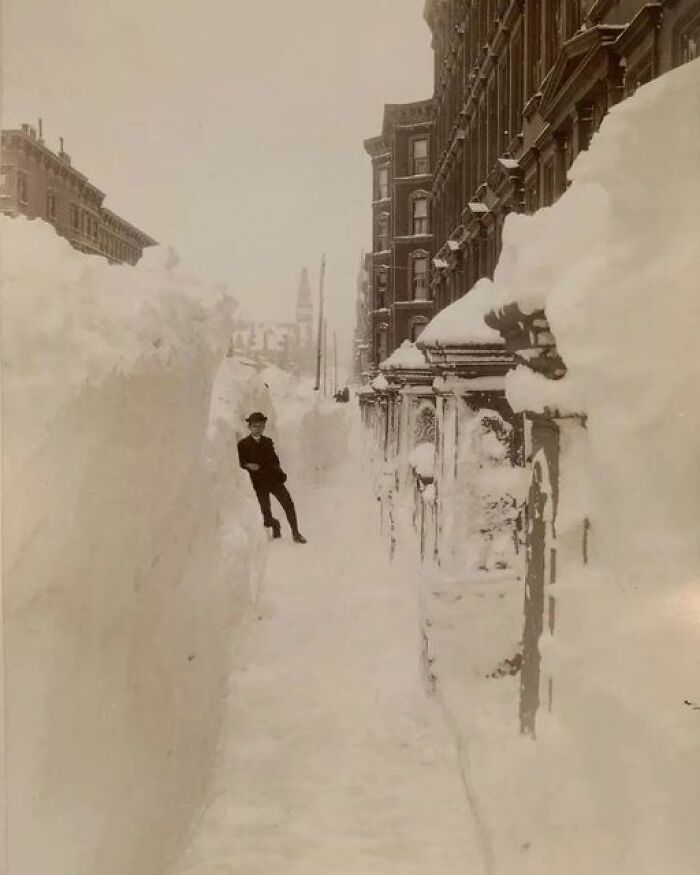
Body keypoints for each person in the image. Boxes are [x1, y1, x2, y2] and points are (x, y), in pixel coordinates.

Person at [237, 412, 307, 543]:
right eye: (255, 426)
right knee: (266, 514)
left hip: (273, 479)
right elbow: (239, 463)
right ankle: (275, 524)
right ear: (249, 427)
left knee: (288, 504)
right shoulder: (243, 444)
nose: (258, 429)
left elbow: (275, 460)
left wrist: (278, 471)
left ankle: (296, 533)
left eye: (261, 426)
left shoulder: (268, 442)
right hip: (258, 483)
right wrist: (248, 465)